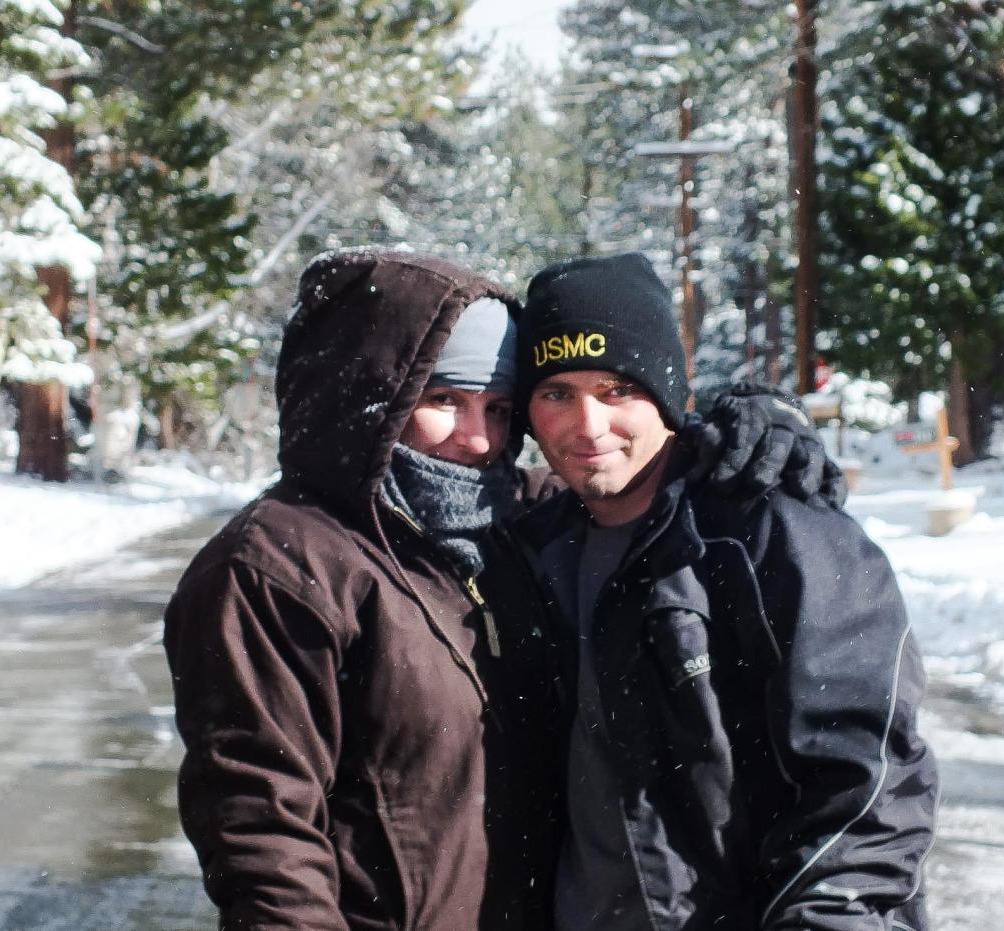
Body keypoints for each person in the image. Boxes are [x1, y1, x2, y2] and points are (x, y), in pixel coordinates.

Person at [163, 248, 837, 930]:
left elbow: (640, 478)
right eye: (444, 400)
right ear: (372, 394)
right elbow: (263, 836)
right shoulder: (277, 567)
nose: (478, 438)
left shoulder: (513, 520)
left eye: (499, 406)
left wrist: (742, 429)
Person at [510, 253, 938, 931]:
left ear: (665, 387)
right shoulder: (534, 550)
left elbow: (866, 785)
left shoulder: (769, 528)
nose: (588, 425)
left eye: (617, 387)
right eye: (557, 392)